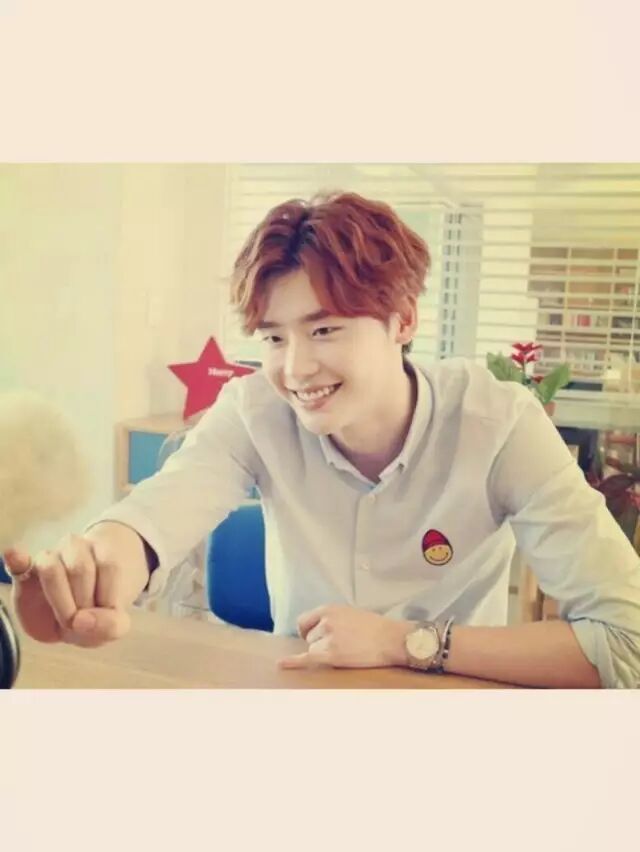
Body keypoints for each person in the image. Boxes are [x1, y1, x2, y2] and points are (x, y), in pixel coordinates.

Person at [4, 192, 640, 687]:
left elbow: (626, 641)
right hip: (297, 695)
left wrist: (401, 643)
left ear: (403, 320)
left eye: (325, 329)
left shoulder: (498, 424)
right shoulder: (255, 409)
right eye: (274, 337)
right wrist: (96, 569)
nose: (296, 368)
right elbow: (163, 509)